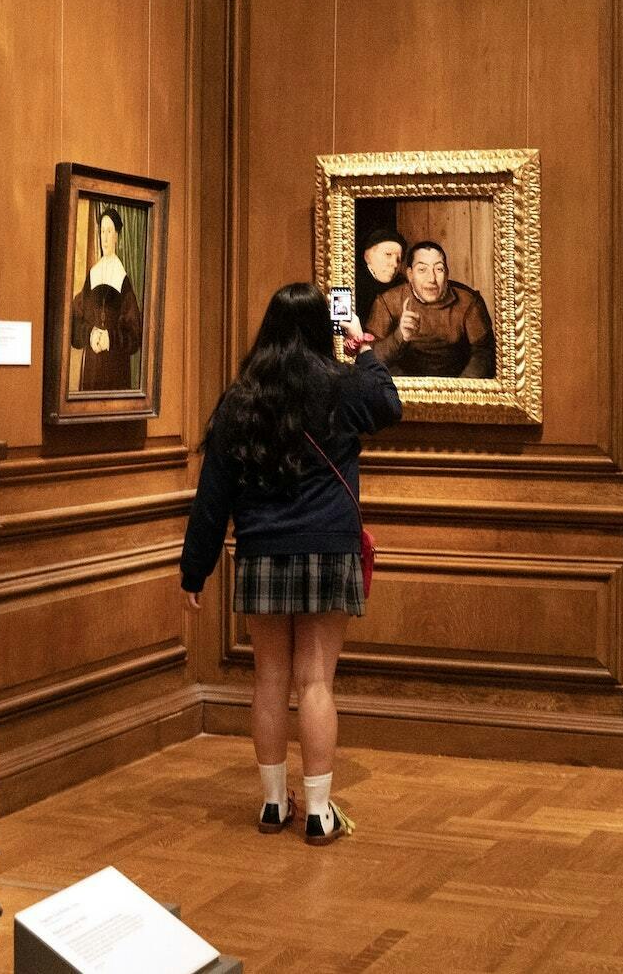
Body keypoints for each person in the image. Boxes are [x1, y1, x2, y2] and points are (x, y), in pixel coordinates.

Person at [180, 282, 402, 845]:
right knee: (316, 682)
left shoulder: (241, 400)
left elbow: (213, 495)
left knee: (270, 679)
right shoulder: (339, 389)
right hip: (328, 547)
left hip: (261, 550)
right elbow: (388, 404)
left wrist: (194, 569)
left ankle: (275, 804)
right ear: (321, 329)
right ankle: (319, 813)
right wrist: (362, 346)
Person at [366, 240, 495, 377]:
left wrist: (461, 389)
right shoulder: (387, 301)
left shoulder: (469, 302)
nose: (432, 279)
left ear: (447, 273)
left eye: (439, 269)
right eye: (422, 270)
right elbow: (370, 358)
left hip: (457, 387)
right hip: (406, 388)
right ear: (410, 274)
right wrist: (400, 335)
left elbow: (484, 354)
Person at [69, 206, 142, 390]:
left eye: (109, 231)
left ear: (117, 236)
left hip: (115, 366)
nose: (105, 237)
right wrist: (90, 334)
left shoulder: (122, 278)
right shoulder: (93, 274)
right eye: (102, 231)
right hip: (92, 367)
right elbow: (75, 320)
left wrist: (110, 339)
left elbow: (134, 335)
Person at [354, 225, 406, 326]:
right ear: (367, 256)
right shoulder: (354, 283)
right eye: (388, 255)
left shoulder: (402, 286)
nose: (395, 264)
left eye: (399, 259)